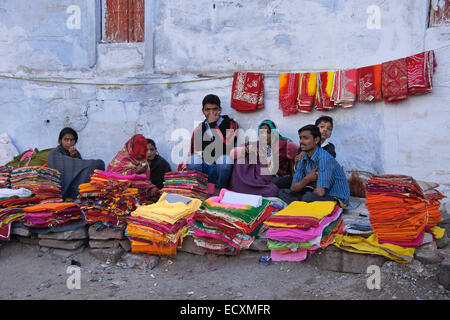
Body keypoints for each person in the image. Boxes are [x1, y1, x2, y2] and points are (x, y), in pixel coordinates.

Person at [278, 124, 349, 206]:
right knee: (283, 192)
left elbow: (320, 192)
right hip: (315, 194)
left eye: (306, 138)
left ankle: (300, 205)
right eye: (300, 138)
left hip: (335, 198)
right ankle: (302, 206)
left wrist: (304, 190)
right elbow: (293, 187)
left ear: (316, 140)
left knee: (308, 197)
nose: (301, 141)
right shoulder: (304, 157)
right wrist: (307, 179)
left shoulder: (324, 158)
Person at [229, 120, 298, 197]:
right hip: (249, 180)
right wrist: (247, 149)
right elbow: (232, 154)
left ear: (274, 133)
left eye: (267, 132)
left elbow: (300, 151)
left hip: (271, 180)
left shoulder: (284, 145)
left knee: (273, 190)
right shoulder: (254, 144)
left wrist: (301, 154)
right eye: (261, 132)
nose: (263, 135)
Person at [187, 94, 239, 195]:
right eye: (207, 110)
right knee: (192, 160)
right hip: (206, 169)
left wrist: (213, 125)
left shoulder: (231, 124)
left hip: (221, 169)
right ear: (203, 111)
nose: (211, 113)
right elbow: (195, 152)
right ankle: (199, 190)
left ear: (220, 110)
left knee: (225, 159)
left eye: (214, 109)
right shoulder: (199, 129)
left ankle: (219, 190)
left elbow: (228, 148)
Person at [273, 115, 337, 190]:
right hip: (301, 179)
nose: (325, 130)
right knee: (276, 182)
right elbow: (297, 167)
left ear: (330, 133)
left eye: (329, 129)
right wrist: (297, 163)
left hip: (316, 181)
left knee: (307, 194)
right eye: (322, 127)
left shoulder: (330, 148)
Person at [47, 127, 105, 199]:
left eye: (72, 140)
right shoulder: (55, 153)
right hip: (59, 183)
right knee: (93, 164)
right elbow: (65, 168)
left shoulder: (75, 152)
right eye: (66, 140)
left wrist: (74, 157)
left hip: (72, 180)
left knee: (97, 164)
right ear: (60, 141)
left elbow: (79, 168)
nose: (69, 143)